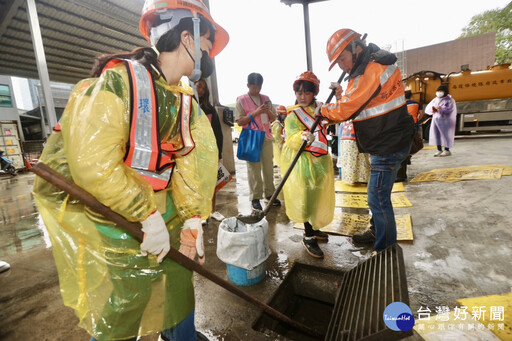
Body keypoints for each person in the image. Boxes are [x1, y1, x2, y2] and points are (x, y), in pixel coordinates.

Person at [32, 1, 229, 340]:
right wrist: (145, 213)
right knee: (129, 296)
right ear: (188, 37)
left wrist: (193, 218)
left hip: (167, 213)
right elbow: (93, 162)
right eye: (207, 47)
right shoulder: (120, 82)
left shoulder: (182, 98)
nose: (208, 58)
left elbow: (191, 165)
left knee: (180, 284)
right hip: (119, 216)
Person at [319, 29, 414, 254]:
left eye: (342, 59)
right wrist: (341, 93)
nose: (341, 65)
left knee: (378, 197)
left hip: (388, 142)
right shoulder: (363, 69)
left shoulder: (372, 69)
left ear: (357, 49)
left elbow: (346, 110)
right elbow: (356, 102)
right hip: (386, 138)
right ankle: (376, 232)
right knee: (378, 196)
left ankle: (385, 250)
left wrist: (321, 111)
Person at [282, 71, 334, 259]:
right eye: (299, 93)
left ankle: (315, 227)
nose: (302, 97)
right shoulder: (293, 115)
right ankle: (308, 235)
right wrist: (301, 136)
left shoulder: (322, 108)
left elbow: (339, 115)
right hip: (303, 163)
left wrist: (339, 94)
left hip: (321, 161)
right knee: (306, 197)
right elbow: (290, 138)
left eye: (306, 93)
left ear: (314, 93)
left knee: (318, 196)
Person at [235, 73, 280, 210]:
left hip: (266, 137)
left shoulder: (266, 99)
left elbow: (273, 119)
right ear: (248, 85)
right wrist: (256, 112)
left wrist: (268, 111)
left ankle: (269, 194)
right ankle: (255, 197)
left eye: (259, 87)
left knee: (268, 167)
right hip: (252, 137)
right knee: (253, 169)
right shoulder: (241, 100)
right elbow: (239, 121)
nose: (256, 90)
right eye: (254, 87)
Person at [195, 78, 225, 222]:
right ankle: (201, 212)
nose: (200, 90)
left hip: (209, 150)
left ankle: (212, 210)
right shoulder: (188, 105)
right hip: (194, 150)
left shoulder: (210, 108)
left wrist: (218, 152)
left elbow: (218, 132)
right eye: (198, 86)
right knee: (197, 182)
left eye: (203, 88)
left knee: (212, 181)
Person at [396, 90, 423, 181]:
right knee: (409, 146)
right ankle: (408, 158)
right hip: (413, 126)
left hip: (401, 129)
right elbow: (421, 114)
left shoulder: (399, 104)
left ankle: (401, 175)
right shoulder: (416, 103)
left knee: (400, 151)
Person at [424, 85, 457, 157]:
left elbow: (450, 110)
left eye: (441, 91)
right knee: (437, 135)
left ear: (445, 92)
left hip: (446, 121)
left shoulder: (450, 100)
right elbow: (428, 109)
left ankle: (447, 150)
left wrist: (441, 108)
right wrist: (433, 109)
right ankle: (439, 149)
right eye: (438, 91)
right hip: (436, 120)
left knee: (446, 135)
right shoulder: (435, 100)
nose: (439, 93)